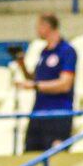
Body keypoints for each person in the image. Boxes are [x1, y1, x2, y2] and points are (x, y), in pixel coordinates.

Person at [15, 14, 77, 152]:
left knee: (55, 158)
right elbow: (36, 79)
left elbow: (65, 84)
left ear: (47, 26)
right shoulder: (44, 51)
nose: (37, 30)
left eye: (38, 26)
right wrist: (22, 65)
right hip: (38, 113)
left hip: (58, 114)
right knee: (30, 154)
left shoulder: (67, 51)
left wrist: (35, 86)